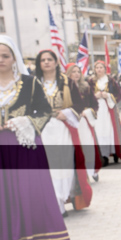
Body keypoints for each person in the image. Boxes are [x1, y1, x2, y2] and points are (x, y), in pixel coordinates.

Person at [0, 36, 71, 240]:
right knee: (9, 196)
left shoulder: (29, 83)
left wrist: (24, 122)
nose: (1, 60)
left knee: (33, 193)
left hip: (26, 144)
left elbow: (44, 110)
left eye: (5, 56)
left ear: (14, 59)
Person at [35, 52, 93, 215]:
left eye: (49, 59)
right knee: (49, 166)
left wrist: (66, 113)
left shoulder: (67, 82)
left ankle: (65, 197)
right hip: (42, 129)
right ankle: (56, 204)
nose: (46, 62)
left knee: (65, 164)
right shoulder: (34, 83)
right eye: (43, 60)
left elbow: (79, 104)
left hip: (63, 128)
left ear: (56, 62)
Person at [66, 64, 102, 183]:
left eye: (78, 71)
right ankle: (79, 175)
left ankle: (91, 170)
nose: (76, 74)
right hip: (71, 121)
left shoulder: (86, 87)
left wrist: (87, 112)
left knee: (87, 146)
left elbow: (95, 105)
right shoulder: (64, 88)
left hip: (84, 122)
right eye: (73, 71)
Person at [88, 60, 121, 166]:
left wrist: (108, 95)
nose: (99, 70)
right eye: (97, 68)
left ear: (105, 69)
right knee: (99, 130)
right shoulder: (91, 81)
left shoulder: (110, 80)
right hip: (97, 109)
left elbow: (119, 93)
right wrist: (95, 96)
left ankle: (114, 151)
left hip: (109, 109)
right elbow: (87, 94)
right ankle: (103, 155)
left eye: (101, 67)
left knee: (110, 129)